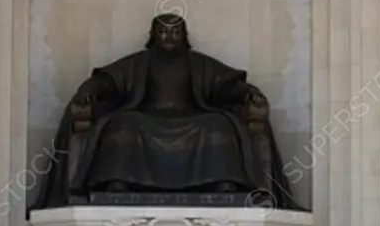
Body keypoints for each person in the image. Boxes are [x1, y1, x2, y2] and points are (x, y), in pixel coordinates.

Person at [35, 12, 297, 208]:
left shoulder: (197, 63)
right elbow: (108, 81)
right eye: (163, 32)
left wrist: (249, 93)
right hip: (146, 117)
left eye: (174, 32)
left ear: (183, 36)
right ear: (153, 35)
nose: (168, 37)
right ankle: (119, 182)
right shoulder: (140, 62)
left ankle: (224, 183)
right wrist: (87, 91)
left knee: (218, 126)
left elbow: (228, 85)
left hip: (191, 117)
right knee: (123, 125)